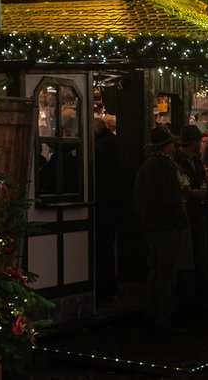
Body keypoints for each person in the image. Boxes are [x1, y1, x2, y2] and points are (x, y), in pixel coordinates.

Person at [133, 127, 186, 328]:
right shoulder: (165, 167)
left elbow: (136, 201)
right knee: (166, 272)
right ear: (167, 147)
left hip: (150, 226)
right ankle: (164, 314)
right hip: (167, 226)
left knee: (155, 270)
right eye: (173, 145)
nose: (175, 148)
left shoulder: (146, 166)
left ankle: (151, 310)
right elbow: (172, 199)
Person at [173, 124, 208, 304]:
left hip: (197, 213)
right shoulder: (176, 162)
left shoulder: (195, 160)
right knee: (187, 258)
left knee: (199, 256)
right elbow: (178, 189)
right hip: (186, 215)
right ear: (194, 143)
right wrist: (194, 193)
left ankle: (199, 294)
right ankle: (188, 297)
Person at [93, 118, 119, 305]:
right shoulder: (112, 144)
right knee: (106, 249)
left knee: (101, 249)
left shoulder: (97, 149)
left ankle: (103, 291)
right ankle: (108, 289)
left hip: (102, 205)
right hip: (111, 204)